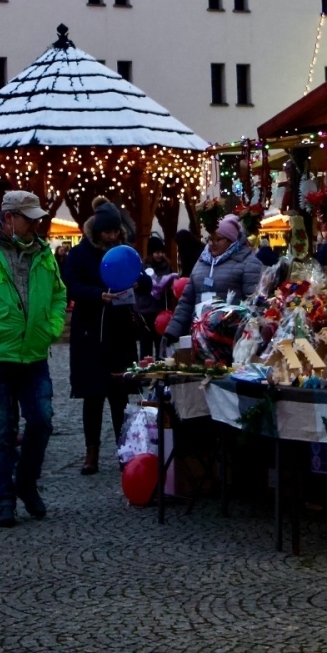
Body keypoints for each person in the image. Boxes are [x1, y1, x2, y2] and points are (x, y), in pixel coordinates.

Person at [0, 190, 66, 528]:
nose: (36, 224)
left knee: (42, 421)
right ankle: (2, 499)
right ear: (8, 218)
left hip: (33, 354)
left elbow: (58, 293)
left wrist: (50, 327)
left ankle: (26, 482)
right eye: (29, 219)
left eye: (37, 219)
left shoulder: (43, 254)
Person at [65, 202, 140, 476]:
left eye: (115, 231)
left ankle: (124, 451)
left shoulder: (125, 251)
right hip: (90, 334)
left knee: (120, 397)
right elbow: (71, 285)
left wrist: (136, 284)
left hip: (120, 334)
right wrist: (98, 294)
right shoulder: (80, 253)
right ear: (96, 231)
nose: (111, 236)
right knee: (93, 396)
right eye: (107, 232)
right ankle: (91, 452)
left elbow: (142, 278)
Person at [164, 215, 262, 346]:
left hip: (232, 340)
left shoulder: (248, 262)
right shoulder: (202, 262)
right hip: (200, 338)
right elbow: (187, 301)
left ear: (231, 240)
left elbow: (255, 303)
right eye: (210, 239)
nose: (212, 243)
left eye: (218, 239)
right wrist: (172, 331)